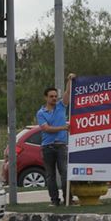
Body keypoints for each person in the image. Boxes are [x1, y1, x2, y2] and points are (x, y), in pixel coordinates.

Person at [37, 73, 75, 206]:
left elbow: (68, 93)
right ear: (46, 98)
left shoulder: (61, 106)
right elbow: (46, 129)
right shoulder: (41, 113)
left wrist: (69, 80)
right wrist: (63, 128)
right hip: (47, 147)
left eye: (55, 96)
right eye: (51, 96)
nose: (54, 98)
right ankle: (54, 200)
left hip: (61, 146)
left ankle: (68, 199)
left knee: (65, 173)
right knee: (50, 175)